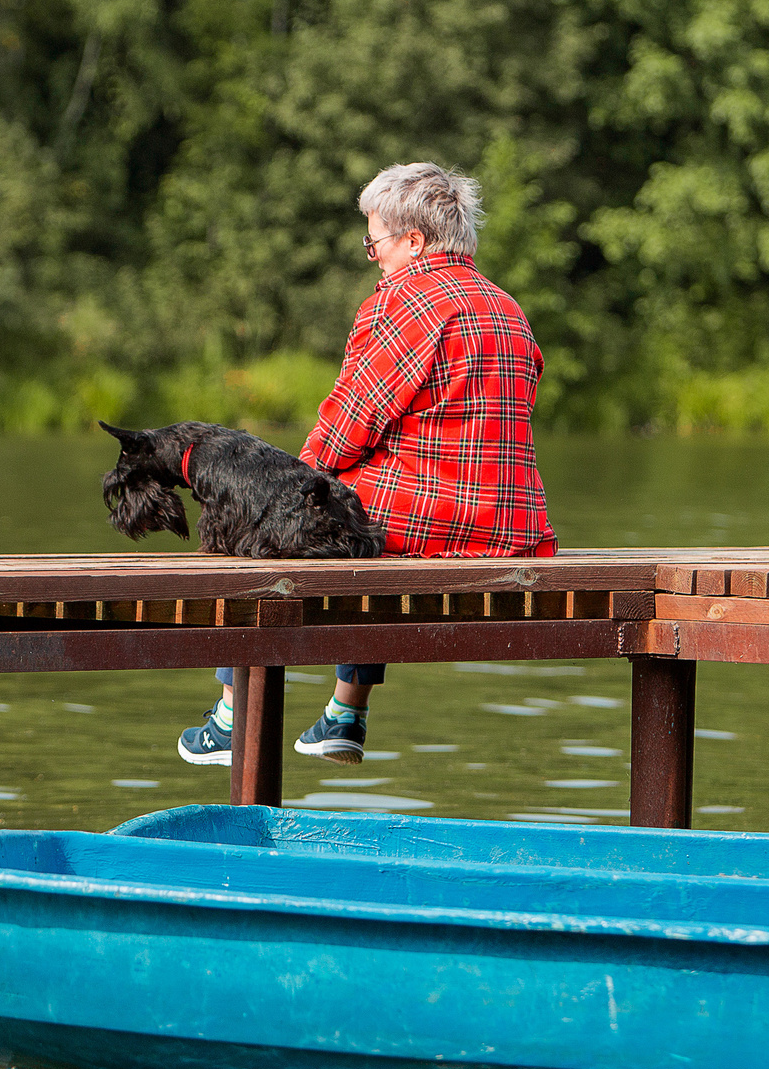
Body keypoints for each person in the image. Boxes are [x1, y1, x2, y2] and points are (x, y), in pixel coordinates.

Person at [178, 161, 556, 767]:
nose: (372, 254)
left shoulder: (404, 302)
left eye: (374, 240)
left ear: (414, 240)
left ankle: (231, 717)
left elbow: (351, 421)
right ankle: (344, 714)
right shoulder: (509, 308)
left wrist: (283, 489)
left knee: (295, 524)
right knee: (365, 514)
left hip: (428, 525)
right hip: (513, 532)